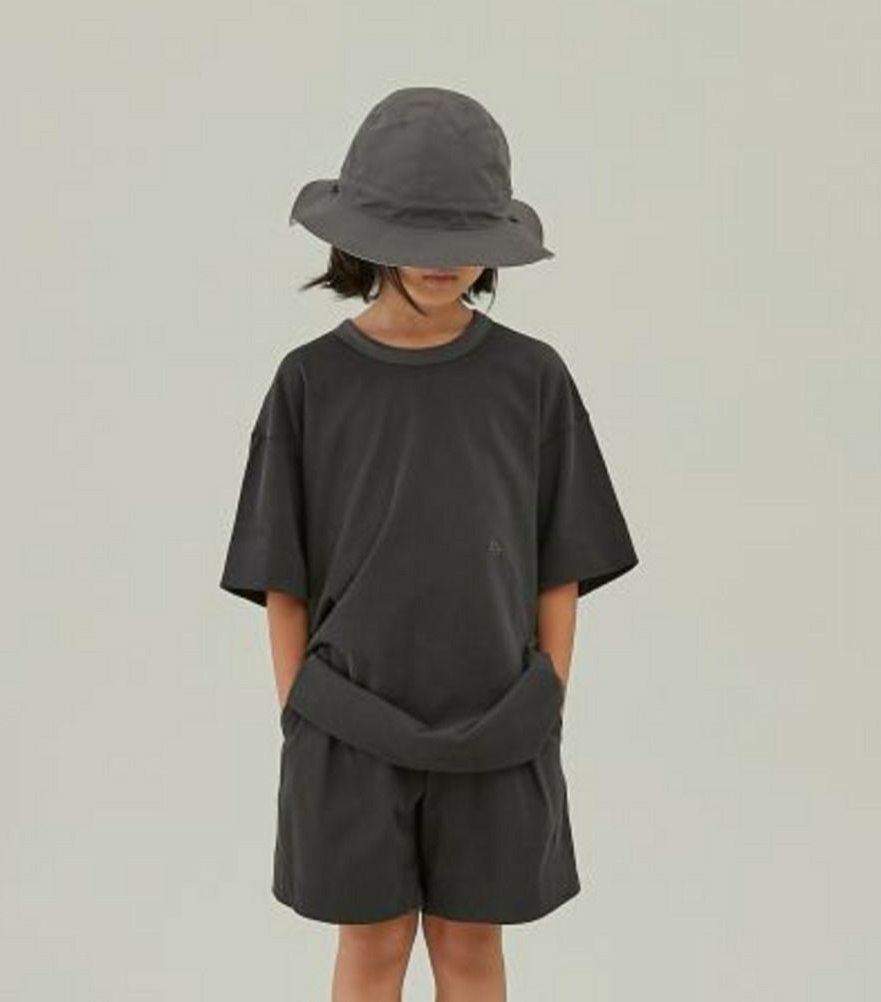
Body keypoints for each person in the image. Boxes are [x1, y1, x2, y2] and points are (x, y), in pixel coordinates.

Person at [219, 86, 639, 1001]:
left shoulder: (532, 378)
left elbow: (561, 560)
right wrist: (300, 712)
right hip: (347, 728)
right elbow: (280, 575)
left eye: (463, 238)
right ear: (362, 237)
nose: (442, 262)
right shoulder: (310, 382)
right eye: (417, 236)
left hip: (500, 721)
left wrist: (546, 698)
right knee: (371, 951)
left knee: (471, 948)